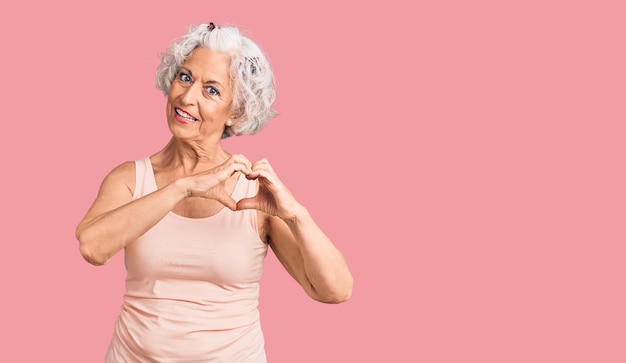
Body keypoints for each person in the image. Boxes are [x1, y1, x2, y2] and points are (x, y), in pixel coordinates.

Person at [75, 22, 353, 362]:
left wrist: (297, 215)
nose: (187, 97)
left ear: (235, 113)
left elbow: (334, 290)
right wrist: (183, 186)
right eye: (186, 77)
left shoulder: (254, 192)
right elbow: (92, 246)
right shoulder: (131, 179)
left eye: (211, 90)